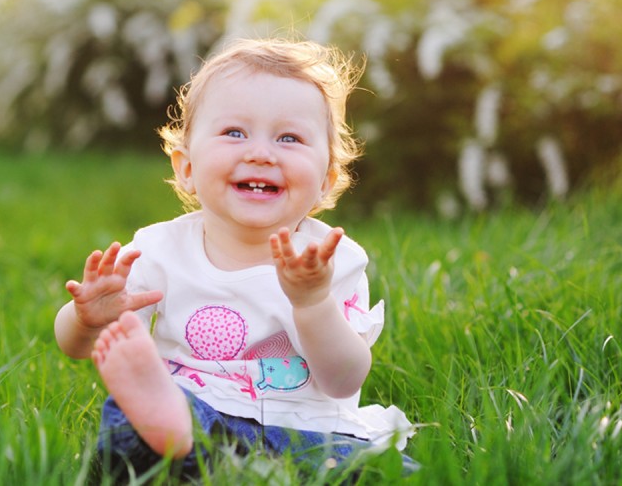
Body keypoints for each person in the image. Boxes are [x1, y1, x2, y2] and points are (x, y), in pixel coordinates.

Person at [54, 37, 417, 479]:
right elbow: (74, 348)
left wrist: (312, 302)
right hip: (194, 415)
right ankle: (164, 431)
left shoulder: (329, 261)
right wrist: (87, 318)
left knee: (381, 470)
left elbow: (344, 380)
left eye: (289, 137)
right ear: (186, 168)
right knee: (134, 427)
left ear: (326, 179)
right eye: (234, 133)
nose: (261, 153)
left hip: (305, 431)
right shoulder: (159, 250)